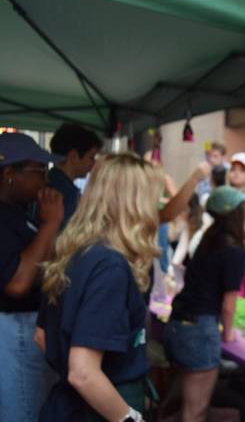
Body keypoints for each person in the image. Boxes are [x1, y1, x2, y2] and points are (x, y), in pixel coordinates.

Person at [39, 154, 163, 421]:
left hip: (68, 406)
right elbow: (83, 372)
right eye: (152, 197)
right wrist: (129, 418)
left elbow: (42, 336)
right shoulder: (110, 266)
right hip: (98, 408)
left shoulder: (76, 252)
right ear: (135, 203)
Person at [164, 186, 245, 422]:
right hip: (198, 332)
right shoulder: (233, 249)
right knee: (195, 414)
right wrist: (229, 333)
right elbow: (228, 305)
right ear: (234, 213)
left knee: (185, 407)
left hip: (177, 325)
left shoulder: (208, 238)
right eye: (242, 206)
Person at [0, 133, 63, 421]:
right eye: (40, 172)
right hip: (13, 331)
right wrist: (51, 224)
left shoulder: (19, 212)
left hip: (27, 329)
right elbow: (17, 283)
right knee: (24, 412)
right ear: (10, 174)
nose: (46, 181)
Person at [48, 123, 103, 228]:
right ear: (73, 156)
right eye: (91, 157)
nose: (94, 163)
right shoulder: (67, 194)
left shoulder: (48, 181)